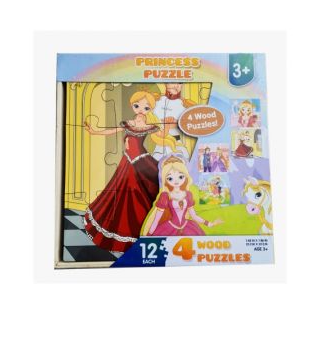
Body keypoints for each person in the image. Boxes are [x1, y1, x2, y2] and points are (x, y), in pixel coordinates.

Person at [82, 91, 175, 253]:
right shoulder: (128, 123)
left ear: (150, 109)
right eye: (137, 105)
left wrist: (168, 127)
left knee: (144, 192)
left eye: (146, 107)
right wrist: (94, 131)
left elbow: (161, 136)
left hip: (141, 161)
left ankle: (151, 224)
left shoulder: (150, 126)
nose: (141, 110)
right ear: (132, 105)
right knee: (122, 192)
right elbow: (112, 131)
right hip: (127, 162)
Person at [142, 155, 222, 236]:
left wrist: (209, 224)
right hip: (169, 228)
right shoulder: (165, 196)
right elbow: (156, 220)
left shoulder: (188, 195)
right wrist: (148, 236)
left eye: (180, 177)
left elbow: (194, 216)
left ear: (186, 177)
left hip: (188, 227)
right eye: (170, 178)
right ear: (165, 180)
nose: (176, 181)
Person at [152, 83, 196, 160]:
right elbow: (150, 119)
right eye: (172, 82)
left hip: (177, 144)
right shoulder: (156, 100)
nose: (176, 85)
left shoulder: (187, 104)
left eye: (180, 83)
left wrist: (176, 123)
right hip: (160, 144)